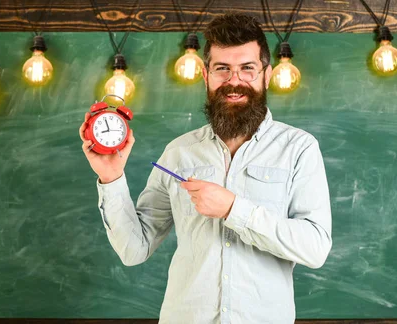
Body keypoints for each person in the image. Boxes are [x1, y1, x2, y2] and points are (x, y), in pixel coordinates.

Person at [79, 13, 332, 324]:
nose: (234, 81)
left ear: (266, 74)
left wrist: (234, 209)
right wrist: (111, 177)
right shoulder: (178, 152)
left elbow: (315, 248)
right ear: (206, 74)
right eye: (222, 69)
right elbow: (134, 250)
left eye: (247, 69)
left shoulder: (299, 149)